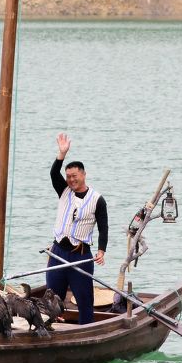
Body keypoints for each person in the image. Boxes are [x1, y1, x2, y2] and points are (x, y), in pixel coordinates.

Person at [46, 132, 108, 325]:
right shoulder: (64, 190)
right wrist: (61, 154)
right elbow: (53, 173)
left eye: (74, 176)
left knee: (84, 299)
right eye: (69, 176)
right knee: (52, 298)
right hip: (58, 253)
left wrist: (101, 250)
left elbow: (103, 227)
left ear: (83, 174)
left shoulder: (97, 199)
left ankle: (85, 329)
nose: (71, 180)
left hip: (81, 255)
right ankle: (50, 327)